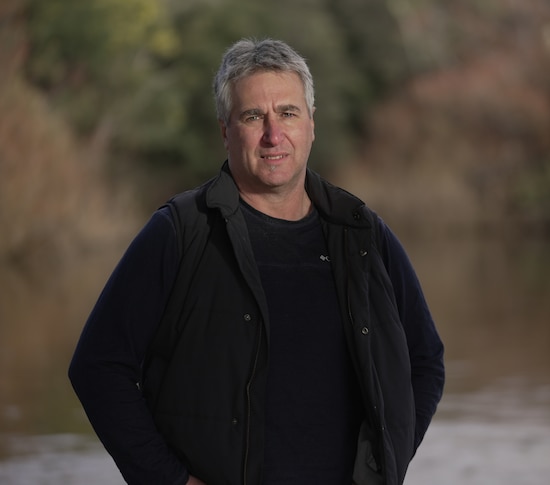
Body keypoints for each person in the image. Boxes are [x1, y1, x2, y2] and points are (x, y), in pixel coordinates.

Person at [68, 38, 445, 485]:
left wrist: (386, 462)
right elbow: (99, 367)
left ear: (310, 124)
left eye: (288, 113)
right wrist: (169, 480)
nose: (273, 134)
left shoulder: (362, 233)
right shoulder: (181, 232)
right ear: (226, 131)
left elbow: (424, 360)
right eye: (253, 117)